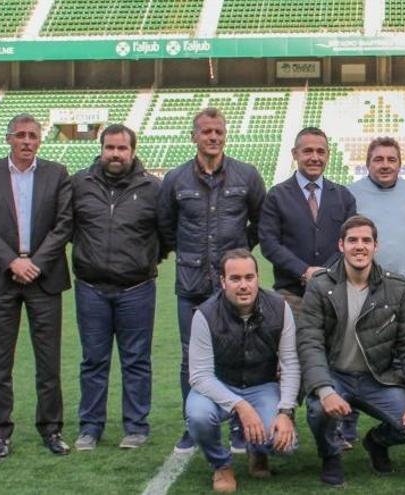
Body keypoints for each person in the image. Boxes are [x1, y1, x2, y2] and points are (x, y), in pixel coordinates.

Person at [158, 107, 266, 454]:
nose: (213, 137)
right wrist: (191, 255)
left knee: (237, 355)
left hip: (233, 288)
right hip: (191, 284)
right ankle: (194, 426)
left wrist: (235, 258)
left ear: (225, 135)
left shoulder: (246, 175)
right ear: (194, 136)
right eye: (206, 131)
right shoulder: (175, 179)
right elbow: (165, 226)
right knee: (191, 358)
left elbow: (260, 221)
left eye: (218, 131)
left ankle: (237, 425)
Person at [298, 215, 405, 487]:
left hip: (377, 379)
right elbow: (309, 342)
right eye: (353, 240)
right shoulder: (320, 286)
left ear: (376, 246)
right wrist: (325, 390)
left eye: (366, 240)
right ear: (341, 245)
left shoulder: (396, 288)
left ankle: (377, 441)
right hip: (335, 375)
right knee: (319, 409)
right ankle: (330, 455)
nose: (359, 246)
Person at [0, 113, 73, 459]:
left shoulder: (56, 173)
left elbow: (63, 225)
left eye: (33, 135)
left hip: (43, 278)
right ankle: (0, 433)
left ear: (40, 140)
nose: (27, 141)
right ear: (8, 139)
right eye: (20, 135)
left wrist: (35, 262)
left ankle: (51, 429)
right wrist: (12, 261)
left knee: (48, 361)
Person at [70, 124, 163, 451]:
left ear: (133, 151)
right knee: (93, 360)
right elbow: (69, 229)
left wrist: (145, 260)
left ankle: (136, 427)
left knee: (136, 360)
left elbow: (164, 234)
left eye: (122, 149)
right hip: (90, 287)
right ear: (101, 148)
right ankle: (90, 427)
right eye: (110, 148)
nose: (115, 154)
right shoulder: (80, 184)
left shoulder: (153, 188)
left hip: (136, 288)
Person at [186, 248, 299, 493]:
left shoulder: (280, 308)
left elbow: (290, 363)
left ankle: (258, 451)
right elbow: (199, 375)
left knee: (285, 446)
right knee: (198, 416)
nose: (243, 285)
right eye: (235, 279)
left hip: (263, 385)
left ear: (258, 278)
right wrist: (241, 405)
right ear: (223, 281)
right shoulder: (204, 315)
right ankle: (221, 464)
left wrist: (285, 411)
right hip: (220, 384)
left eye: (249, 277)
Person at [259, 126, 357, 316]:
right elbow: (269, 244)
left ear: (328, 155)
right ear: (295, 154)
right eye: (308, 151)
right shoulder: (277, 196)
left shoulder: (344, 197)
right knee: (292, 346)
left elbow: (350, 242)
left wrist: (324, 273)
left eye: (321, 151)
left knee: (334, 346)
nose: (315, 157)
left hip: (335, 293)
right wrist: (304, 271)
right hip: (291, 296)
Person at [348, 136, 405, 280]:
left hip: (402, 283)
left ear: (400, 165)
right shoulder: (350, 193)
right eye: (378, 160)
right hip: (361, 282)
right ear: (367, 164)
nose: (385, 165)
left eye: (391, 160)